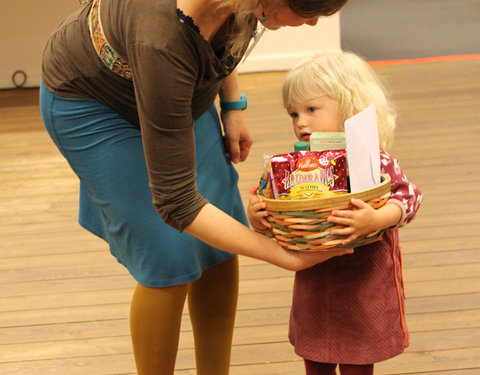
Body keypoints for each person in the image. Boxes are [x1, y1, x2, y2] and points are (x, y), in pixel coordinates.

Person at [39, 0, 352, 374]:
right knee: (166, 254)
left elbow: (225, 30)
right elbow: (177, 202)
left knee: (217, 238)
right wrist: (281, 254)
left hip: (179, 88)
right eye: (306, 12)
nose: (314, 22)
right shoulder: (161, 39)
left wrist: (232, 105)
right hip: (95, 103)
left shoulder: (245, 4)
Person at [247, 50, 423, 375]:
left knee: (358, 356)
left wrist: (378, 218)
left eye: (311, 109)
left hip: (364, 276)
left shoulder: (373, 159)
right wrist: (258, 216)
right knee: (315, 353)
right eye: (294, 113)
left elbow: (409, 196)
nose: (301, 121)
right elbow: (269, 202)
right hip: (315, 279)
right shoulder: (295, 167)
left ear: (351, 105)